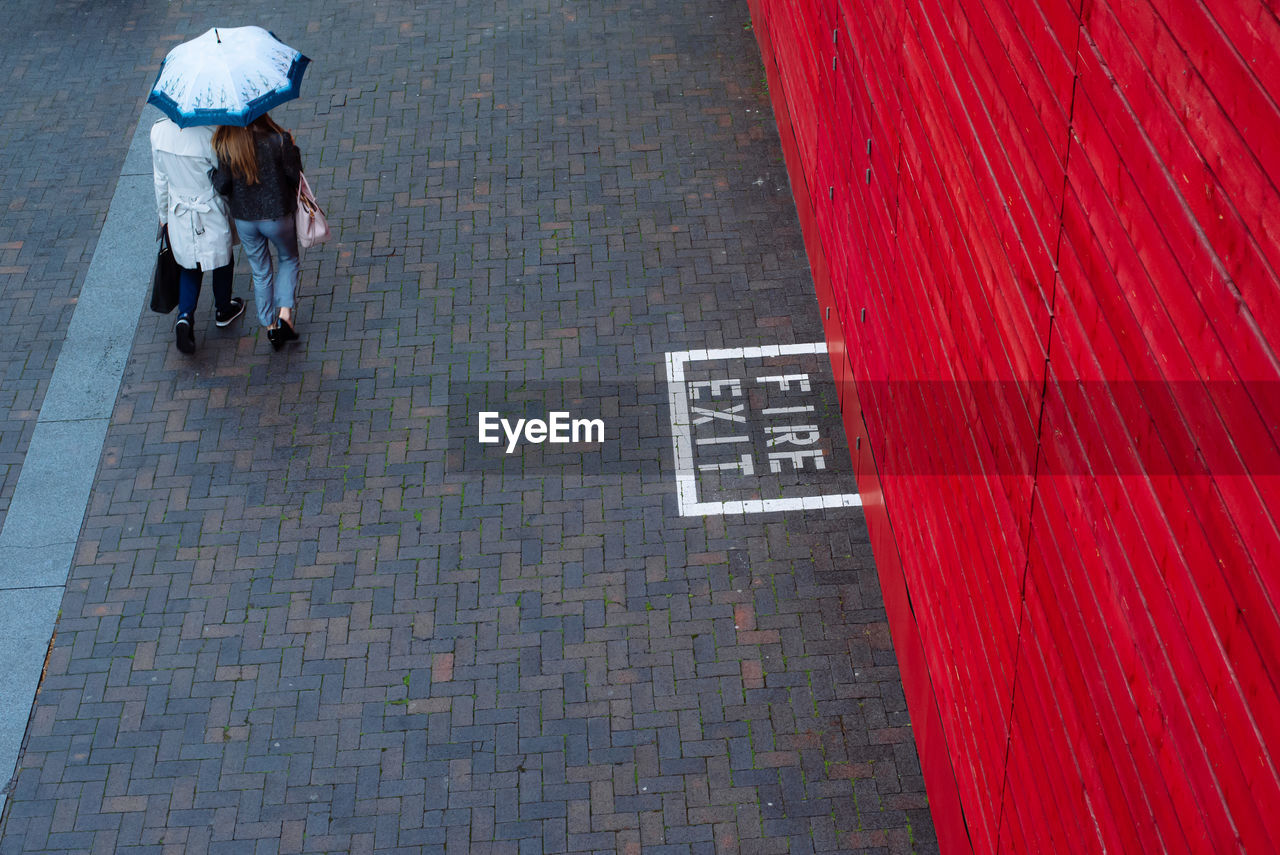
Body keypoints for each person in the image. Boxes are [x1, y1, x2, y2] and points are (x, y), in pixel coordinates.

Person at [150, 118, 246, 354]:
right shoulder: (210, 133)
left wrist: (163, 216)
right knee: (223, 259)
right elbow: (223, 178)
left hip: (179, 210)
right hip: (209, 207)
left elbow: (160, 180)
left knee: (189, 265)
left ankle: (185, 315)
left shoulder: (158, 132)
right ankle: (223, 309)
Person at [211, 114, 303, 350]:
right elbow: (294, 175)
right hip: (277, 216)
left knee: (261, 271)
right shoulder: (278, 140)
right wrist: (292, 147)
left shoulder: (226, 146)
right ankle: (285, 315)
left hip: (245, 219)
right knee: (288, 258)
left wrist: (212, 174)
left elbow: (222, 185)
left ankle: (269, 326)